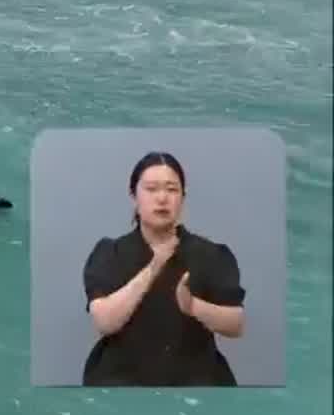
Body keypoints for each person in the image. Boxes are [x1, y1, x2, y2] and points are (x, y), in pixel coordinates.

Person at [81, 152, 244, 386]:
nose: (162, 198)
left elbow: (236, 325)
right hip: (120, 382)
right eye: (151, 189)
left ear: (182, 197)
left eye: (172, 189)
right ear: (134, 196)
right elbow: (105, 322)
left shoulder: (211, 254)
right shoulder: (109, 253)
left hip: (197, 382)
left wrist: (194, 306)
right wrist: (154, 266)